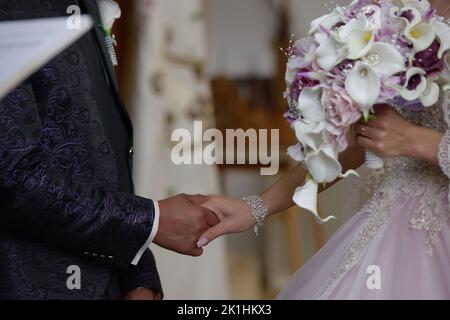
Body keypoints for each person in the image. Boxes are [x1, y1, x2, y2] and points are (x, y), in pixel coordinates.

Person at [198, 0, 450, 299]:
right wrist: (257, 206)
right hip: (400, 224)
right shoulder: (395, 11)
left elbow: (400, 136)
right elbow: (364, 139)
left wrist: (416, 141)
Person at [0, 0, 217, 300]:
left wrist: (138, 274)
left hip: (108, 279)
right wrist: (151, 222)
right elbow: (14, 176)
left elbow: (100, 149)